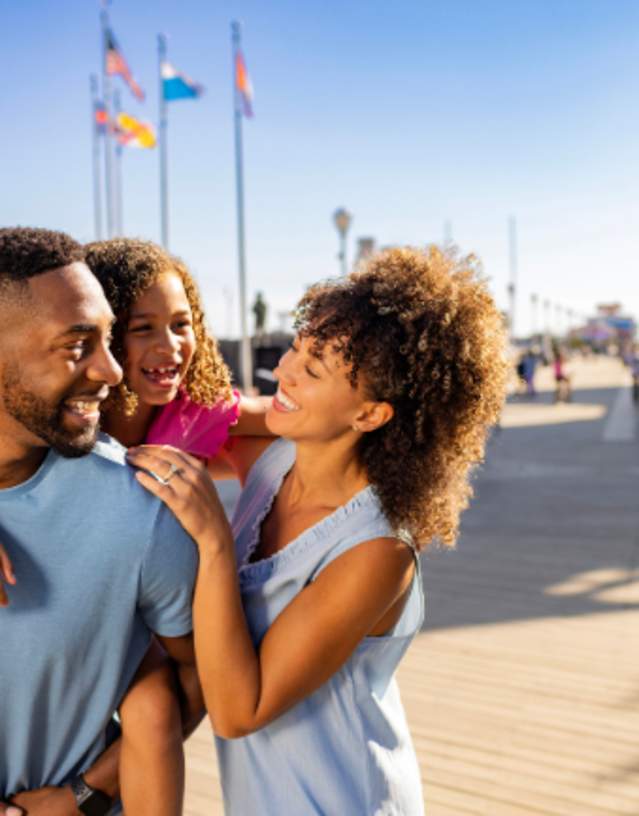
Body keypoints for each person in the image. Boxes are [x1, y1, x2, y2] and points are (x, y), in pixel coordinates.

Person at [127, 246, 508, 814]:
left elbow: (238, 711)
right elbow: (156, 436)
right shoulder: (272, 457)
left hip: (346, 798)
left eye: (313, 369)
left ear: (371, 414)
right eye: (295, 349)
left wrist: (212, 541)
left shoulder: (377, 548)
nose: (283, 371)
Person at [0, 227, 199, 816]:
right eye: (77, 344)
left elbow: (201, 671)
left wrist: (84, 793)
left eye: (108, 339)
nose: (112, 371)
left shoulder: (137, 508)